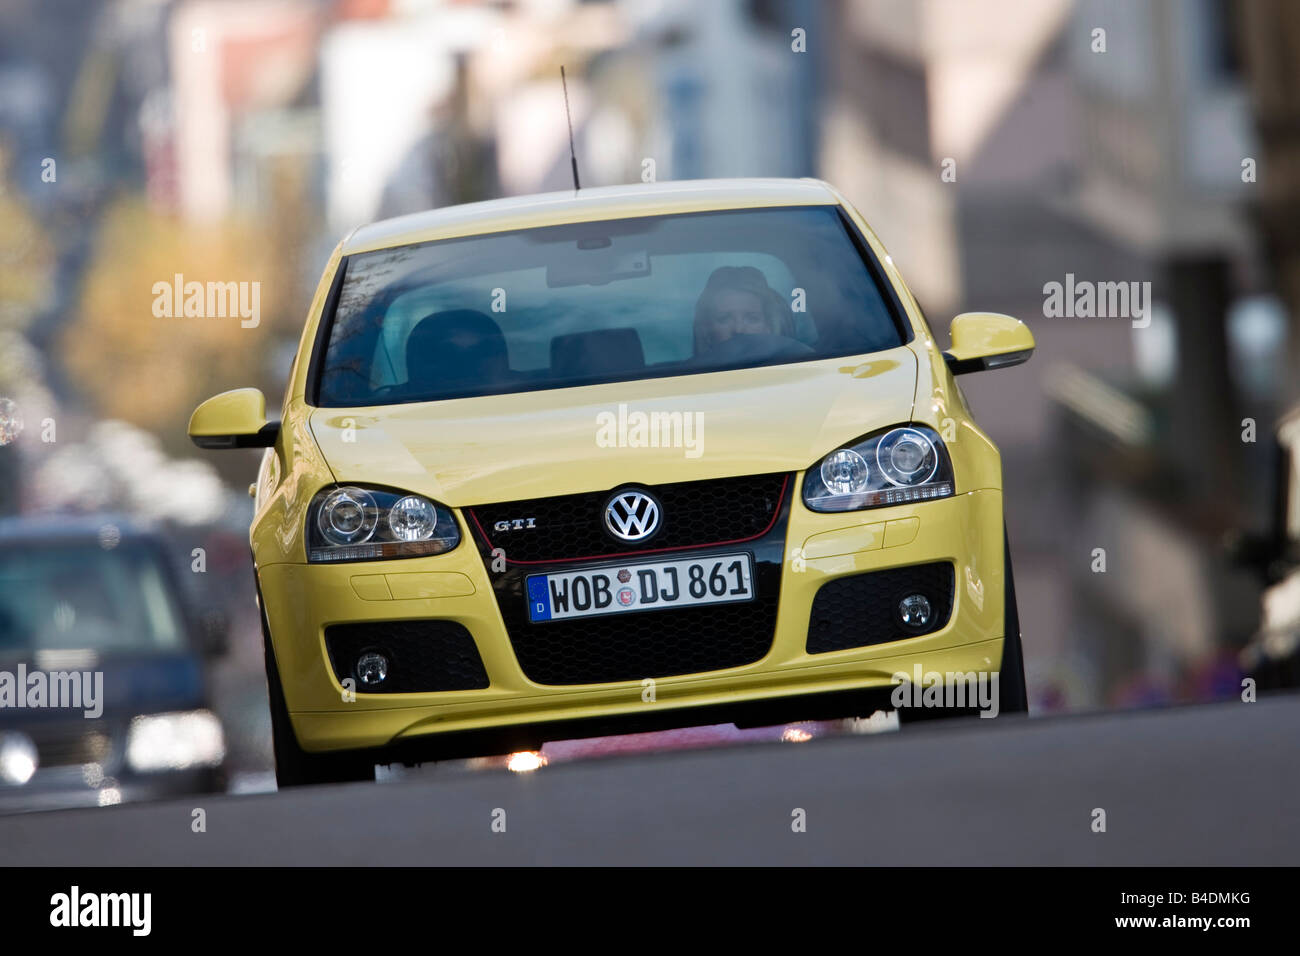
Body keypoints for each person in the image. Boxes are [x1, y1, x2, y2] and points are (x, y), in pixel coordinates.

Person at [692, 265, 793, 355]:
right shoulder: (685, 374)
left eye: (752, 319)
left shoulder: (798, 370)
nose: (738, 329)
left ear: (769, 327)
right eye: (724, 319)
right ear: (706, 330)